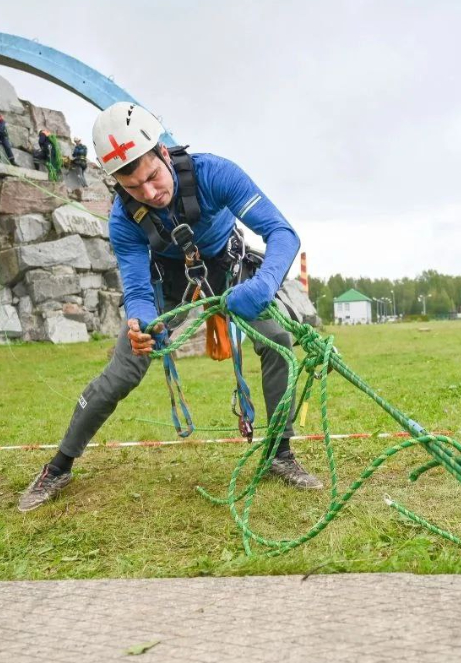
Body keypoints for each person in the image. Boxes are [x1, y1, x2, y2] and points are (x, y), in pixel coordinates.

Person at [18, 102, 322, 512]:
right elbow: (138, 289)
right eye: (132, 187)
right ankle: (59, 467)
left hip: (228, 268)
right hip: (169, 279)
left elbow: (281, 233)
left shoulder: (215, 174)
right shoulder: (123, 220)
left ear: (163, 152)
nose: (149, 193)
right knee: (124, 369)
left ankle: (280, 455)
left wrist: (265, 284)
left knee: (277, 339)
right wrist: (140, 321)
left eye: (152, 177)